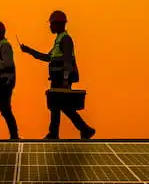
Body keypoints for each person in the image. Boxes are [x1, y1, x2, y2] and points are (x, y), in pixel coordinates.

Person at [19, 10, 96, 139]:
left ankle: (55, 133)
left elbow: (67, 61)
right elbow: (47, 57)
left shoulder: (65, 39)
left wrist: (65, 80)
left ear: (58, 24)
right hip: (57, 78)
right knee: (61, 106)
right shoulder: (58, 40)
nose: (50, 27)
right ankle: (84, 129)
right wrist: (29, 51)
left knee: (57, 105)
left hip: (62, 79)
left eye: (52, 24)